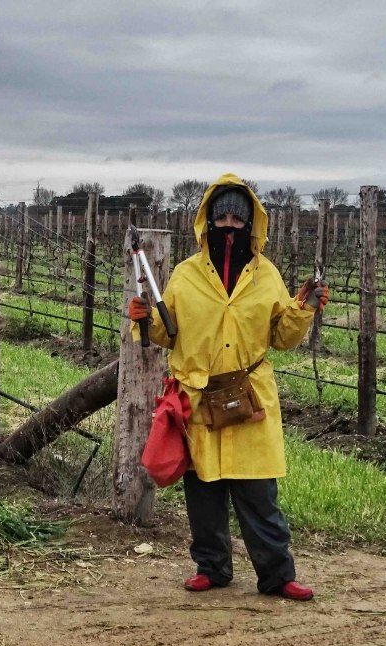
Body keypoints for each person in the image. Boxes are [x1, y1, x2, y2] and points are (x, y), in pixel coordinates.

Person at [129, 173, 328, 601]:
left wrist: (303, 309)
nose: (230, 223)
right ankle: (212, 568)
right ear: (208, 221)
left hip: (249, 395)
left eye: (239, 215)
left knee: (258, 492)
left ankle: (277, 576)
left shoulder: (267, 276)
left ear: (253, 222)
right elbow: (167, 335)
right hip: (198, 398)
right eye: (222, 215)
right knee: (203, 491)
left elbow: (283, 338)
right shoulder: (184, 276)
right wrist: (142, 319)